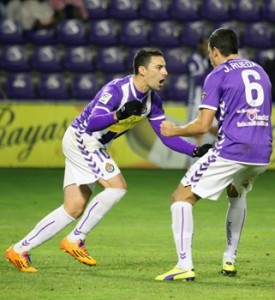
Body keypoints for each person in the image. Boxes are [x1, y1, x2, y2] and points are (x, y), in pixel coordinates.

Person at [5, 47, 211, 272]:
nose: (165, 72)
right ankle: (75, 239)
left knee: (73, 208)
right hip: (83, 139)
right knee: (117, 187)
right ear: (142, 70)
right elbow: (93, 123)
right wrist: (119, 114)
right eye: (159, 67)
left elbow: (166, 137)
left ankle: (19, 250)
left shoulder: (153, 101)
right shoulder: (116, 90)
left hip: (92, 144)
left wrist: (194, 151)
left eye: (165, 67)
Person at [156, 28, 273, 281]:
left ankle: (184, 265)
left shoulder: (217, 74)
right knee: (236, 192)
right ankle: (229, 258)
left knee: (180, 197)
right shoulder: (260, 71)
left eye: (210, 52)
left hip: (232, 149)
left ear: (216, 51)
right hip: (262, 153)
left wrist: (174, 130)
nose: (209, 57)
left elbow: (201, 125)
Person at [186, 37, 217, 167]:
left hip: (210, 99)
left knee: (214, 128)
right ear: (199, 45)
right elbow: (198, 80)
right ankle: (192, 162)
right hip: (196, 101)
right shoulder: (193, 60)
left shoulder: (207, 60)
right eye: (204, 45)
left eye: (208, 46)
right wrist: (211, 70)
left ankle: (209, 159)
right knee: (196, 130)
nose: (206, 48)